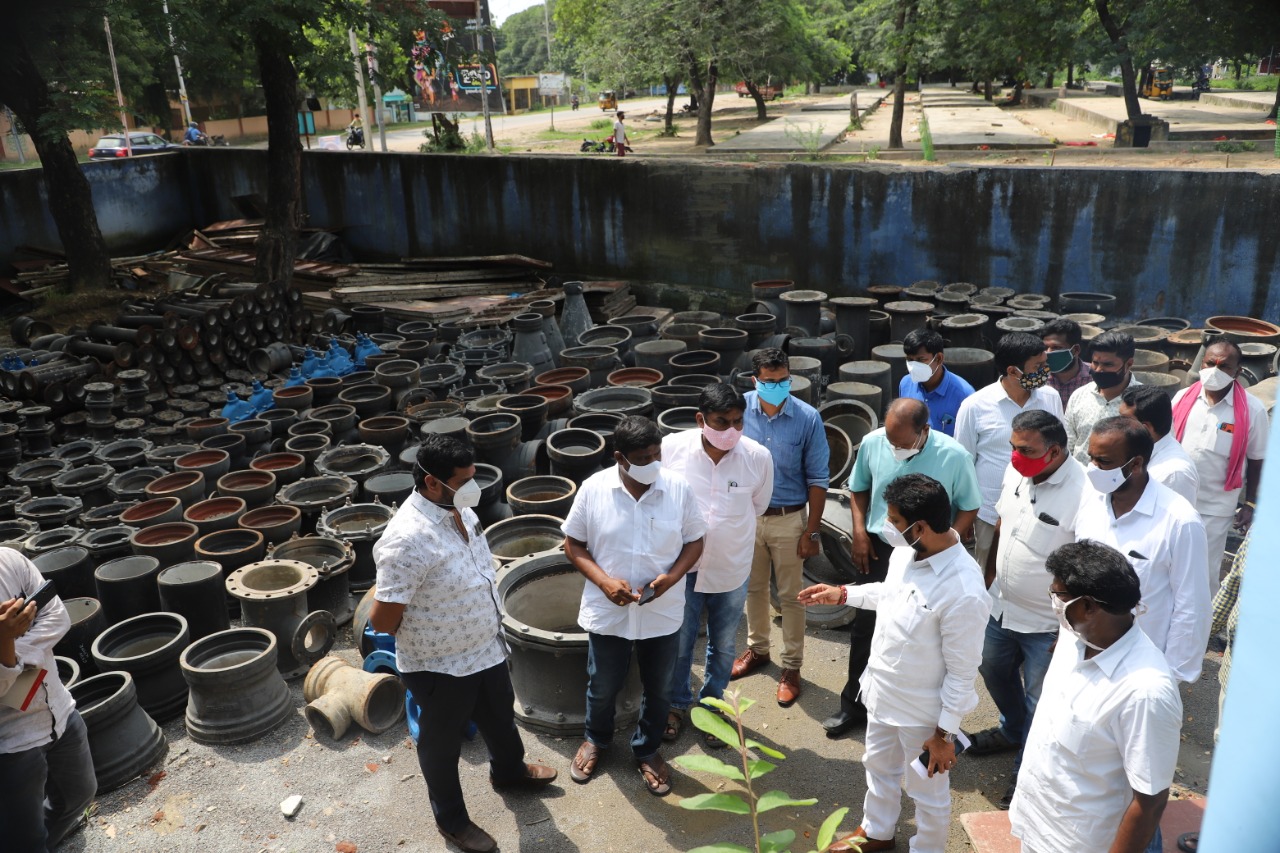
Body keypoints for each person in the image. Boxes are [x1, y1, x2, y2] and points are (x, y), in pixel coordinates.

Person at [370, 436, 557, 853]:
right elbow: (382, 619)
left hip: (485, 648)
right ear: (433, 483)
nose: (473, 486)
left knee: (499, 719)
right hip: (440, 665)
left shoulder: (459, 508)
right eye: (464, 480)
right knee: (441, 746)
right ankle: (452, 821)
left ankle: (509, 773)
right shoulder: (407, 539)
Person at [799, 474, 991, 853]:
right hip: (881, 691)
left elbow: (963, 671)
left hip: (922, 713)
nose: (888, 528)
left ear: (920, 527)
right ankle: (877, 832)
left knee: (928, 791)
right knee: (878, 768)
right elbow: (890, 594)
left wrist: (943, 735)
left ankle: (927, 848)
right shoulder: (907, 551)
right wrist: (843, 593)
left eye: (895, 520)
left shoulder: (964, 590)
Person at [563, 416, 706, 797]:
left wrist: (673, 578)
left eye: (657, 454)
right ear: (620, 459)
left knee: (659, 687)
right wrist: (605, 582)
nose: (654, 464)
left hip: (662, 609)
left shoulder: (677, 488)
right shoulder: (594, 490)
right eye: (643, 458)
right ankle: (596, 739)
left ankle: (647, 749)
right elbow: (573, 545)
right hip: (608, 609)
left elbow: (695, 541)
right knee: (602, 684)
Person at [1009, 540, 1182, 853]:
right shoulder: (1074, 637)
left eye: (1058, 595)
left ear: (1089, 606)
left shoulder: (1145, 692)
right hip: (1037, 826)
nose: (1053, 601)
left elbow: (1150, 802)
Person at [824, 397, 980, 737]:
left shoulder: (954, 456)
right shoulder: (871, 442)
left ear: (925, 431)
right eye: (889, 439)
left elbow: (969, 507)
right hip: (883, 547)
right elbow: (859, 489)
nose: (893, 447)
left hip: (928, 549)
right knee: (867, 626)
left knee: (924, 632)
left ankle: (933, 719)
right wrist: (860, 532)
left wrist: (940, 544)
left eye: (902, 443)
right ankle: (856, 704)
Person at [967, 410, 1086, 808]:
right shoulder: (1015, 472)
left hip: (1046, 623)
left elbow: (1086, 566)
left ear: (1054, 451)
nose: (1016, 456)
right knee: (991, 668)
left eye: (1026, 449)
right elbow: (1002, 526)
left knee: (1040, 698)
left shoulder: (1083, 492)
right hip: (1001, 606)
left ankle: (1027, 773)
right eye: (1013, 447)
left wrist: (1071, 627)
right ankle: (1012, 729)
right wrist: (987, 576)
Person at [661, 385, 773, 746]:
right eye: (721, 422)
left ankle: (711, 708)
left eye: (738, 421)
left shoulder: (757, 457)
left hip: (730, 568)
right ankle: (676, 705)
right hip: (683, 568)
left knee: (723, 645)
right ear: (700, 420)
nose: (731, 430)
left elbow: (757, 506)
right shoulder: (672, 449)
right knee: (679, 642)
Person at [1073, 417, 1210, 683]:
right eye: (1091, 459)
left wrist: (1172, 676)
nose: (1093, 469)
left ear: (1135, 464)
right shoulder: (1091, 501)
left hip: (1141, 668)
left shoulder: (1180, 521)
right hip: (1086, 654)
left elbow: (1191, 606)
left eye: (1103, 461)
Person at [731, 348, 830, 707]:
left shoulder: (807, 418)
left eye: (783, 380)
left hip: (789, 519)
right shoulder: (738, 410)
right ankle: (757, 650)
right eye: (770, 381)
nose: (778, 386)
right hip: (747, 518)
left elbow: (819, 479)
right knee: (753, 589)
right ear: (754, 379)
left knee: (792, 596)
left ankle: (792, 667)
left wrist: (812, 531)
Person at [0, 550, 97, 853]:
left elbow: (57, 617)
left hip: (57, 708)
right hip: (11, 742)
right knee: (24, 840)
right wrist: (4, 642)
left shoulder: (8, 561)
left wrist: (12, 655)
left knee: (79, 794)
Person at [955, 332, 1063, 569]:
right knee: (987, 571)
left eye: (1045, 364)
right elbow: (963, 464)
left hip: (1042, 509)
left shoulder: (1051, 397)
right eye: (1039, 366)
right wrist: (965, 516)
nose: (1046, 371)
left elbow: (1061, 450)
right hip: (990, 511)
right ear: (1013, 371)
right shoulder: (975, 406)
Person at [1170, 340, 1267, 594]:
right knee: (1167, 564)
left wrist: (1250, 504)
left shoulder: (1252, 410)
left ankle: (1201, 630)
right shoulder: (1182, 398)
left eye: (1224, 366)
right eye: (1210, 363)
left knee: (1203, 572)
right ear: (1202, 364)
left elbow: (1257, 461)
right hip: (1173, 499)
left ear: (1237, 371)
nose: (1214, 370)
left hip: (1215, 509)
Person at [1064, 330, 1141, 462]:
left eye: (1108, 364)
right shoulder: (1079, 396)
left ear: (1128, 364)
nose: (1099, 370)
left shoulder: (1144, 402)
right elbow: (1067, 445)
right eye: (1095, 363)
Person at [1119, 385, 1199, 506]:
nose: (1116, 425)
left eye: (1123, 421)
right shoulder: (1138, 451)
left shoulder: (1174, 474)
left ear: (1145, 428)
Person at [897, 328, 975, 437]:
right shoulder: (905, 384)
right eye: (910, 360)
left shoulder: (965, 395)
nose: (913, 366)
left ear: (938, 358)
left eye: (920, 360)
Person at [1040, 318, 1093, 410]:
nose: (1047, 353)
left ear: (1076, 350)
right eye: (1045, 347)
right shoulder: (1036, 377)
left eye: (1056, 347)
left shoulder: (1094, 377)